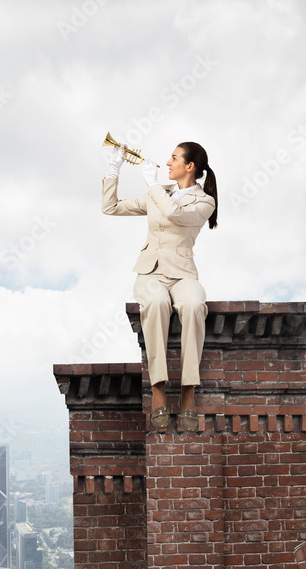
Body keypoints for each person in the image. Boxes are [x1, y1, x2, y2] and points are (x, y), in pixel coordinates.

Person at [101, 141, 218, 431]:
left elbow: (175, 214)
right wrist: (113, 170)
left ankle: (188, 390)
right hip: (151, 272)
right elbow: (110, 207)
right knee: (156, 304)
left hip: (182, 273)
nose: (168, 162)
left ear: (190, 167)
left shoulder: (204, 202)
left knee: (193, 305)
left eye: (174, 158)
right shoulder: (159, 193)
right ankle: (158, 389)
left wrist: (153, 186)